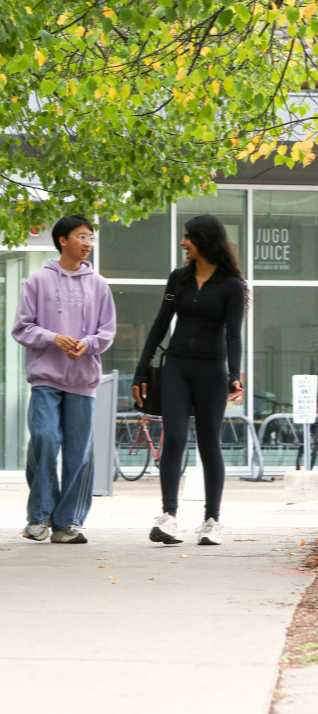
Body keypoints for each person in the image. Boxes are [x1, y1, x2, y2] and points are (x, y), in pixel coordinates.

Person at [132, 214, 246, 547]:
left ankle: (212, 521)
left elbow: (234, 337)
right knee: (176, 436)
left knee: (210, 442)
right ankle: (169, 517)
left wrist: (234, 375)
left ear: (205, 240)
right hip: (177, 368)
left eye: (188, 238)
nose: (183, 243)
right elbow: (159, 324)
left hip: (212, 370)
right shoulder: (178, 279)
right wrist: (142, 370)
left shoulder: (231, 286)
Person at [12, 215, 116, 544]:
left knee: (77, 453)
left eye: (91, 238)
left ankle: (68, 522)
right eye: (81, 236)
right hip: (46, 379)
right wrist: (53, 337)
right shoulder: (37, 282)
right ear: (62, 241)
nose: (87, 243)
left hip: (83, 381)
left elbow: (107, 332)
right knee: (43, 438)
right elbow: (22, 328)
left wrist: (88, 344)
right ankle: (39, 516)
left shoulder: (98, 284)